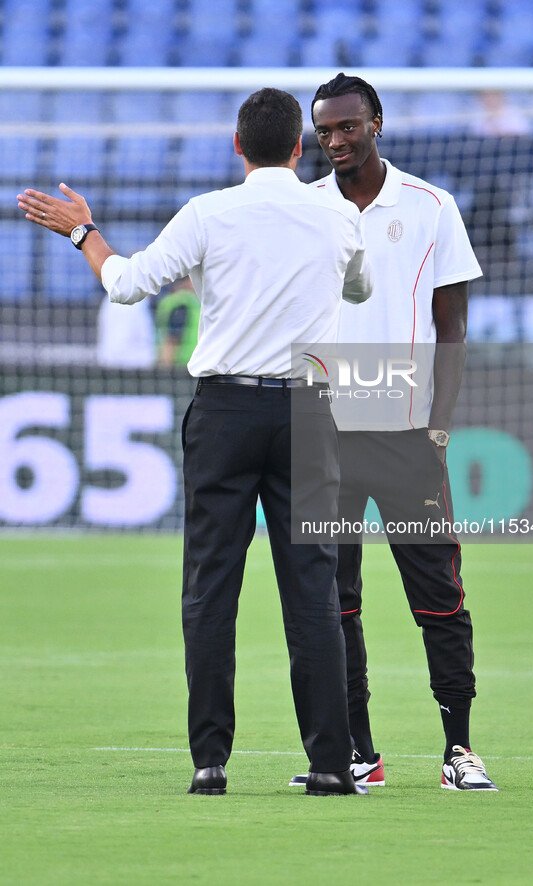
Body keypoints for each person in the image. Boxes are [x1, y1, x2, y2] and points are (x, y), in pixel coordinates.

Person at [17, 87, 373, 797]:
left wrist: (85, 233)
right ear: (299, 148)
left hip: (226, 411)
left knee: (211, 587)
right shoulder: (336, 215)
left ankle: (210, 761)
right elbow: (359, 290)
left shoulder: (209, 213)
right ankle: (333, 764)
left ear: (237, 147)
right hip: (306, 410)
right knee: (312, 589)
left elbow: (126, 286)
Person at [290, 73, 497, 791]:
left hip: (407, 433)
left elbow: (452, 328)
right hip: (324, 433)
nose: (335, 141)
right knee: (331, 602)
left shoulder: (432, 207)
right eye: (323, 131)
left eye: (347, 127)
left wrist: (438, 429)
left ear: (376, 123)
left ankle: (458, 752)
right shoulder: (301, 209)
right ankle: (357, 755)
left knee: (438, 597)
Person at [96, 293, 156, 369]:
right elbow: (143, 337)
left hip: (109, 363)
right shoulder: (138, 303)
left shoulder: (109, 299)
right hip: (133, 366)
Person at [155, 276, 200, 367]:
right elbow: (172, 339)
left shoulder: (178, 301)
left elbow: (170, 341)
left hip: (184, 366)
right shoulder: (184, 303)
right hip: (187, 366)